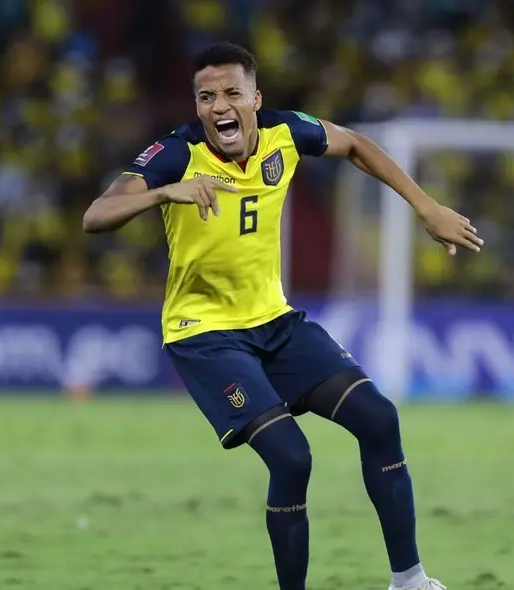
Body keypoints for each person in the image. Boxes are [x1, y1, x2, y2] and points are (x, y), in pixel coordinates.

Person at [82, 42, 483, 590]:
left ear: (255, 97)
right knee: (292, 458)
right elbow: (96, 215)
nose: (219, 106)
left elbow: (357, 145)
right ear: (197, 107)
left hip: (275, 322)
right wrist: (165, 193)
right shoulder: (177, 155)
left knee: (379, 419)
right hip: (205, 335)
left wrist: (427, 208)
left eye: (231, 93)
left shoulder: (285, 133)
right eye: (206, 97)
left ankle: (409, 581)